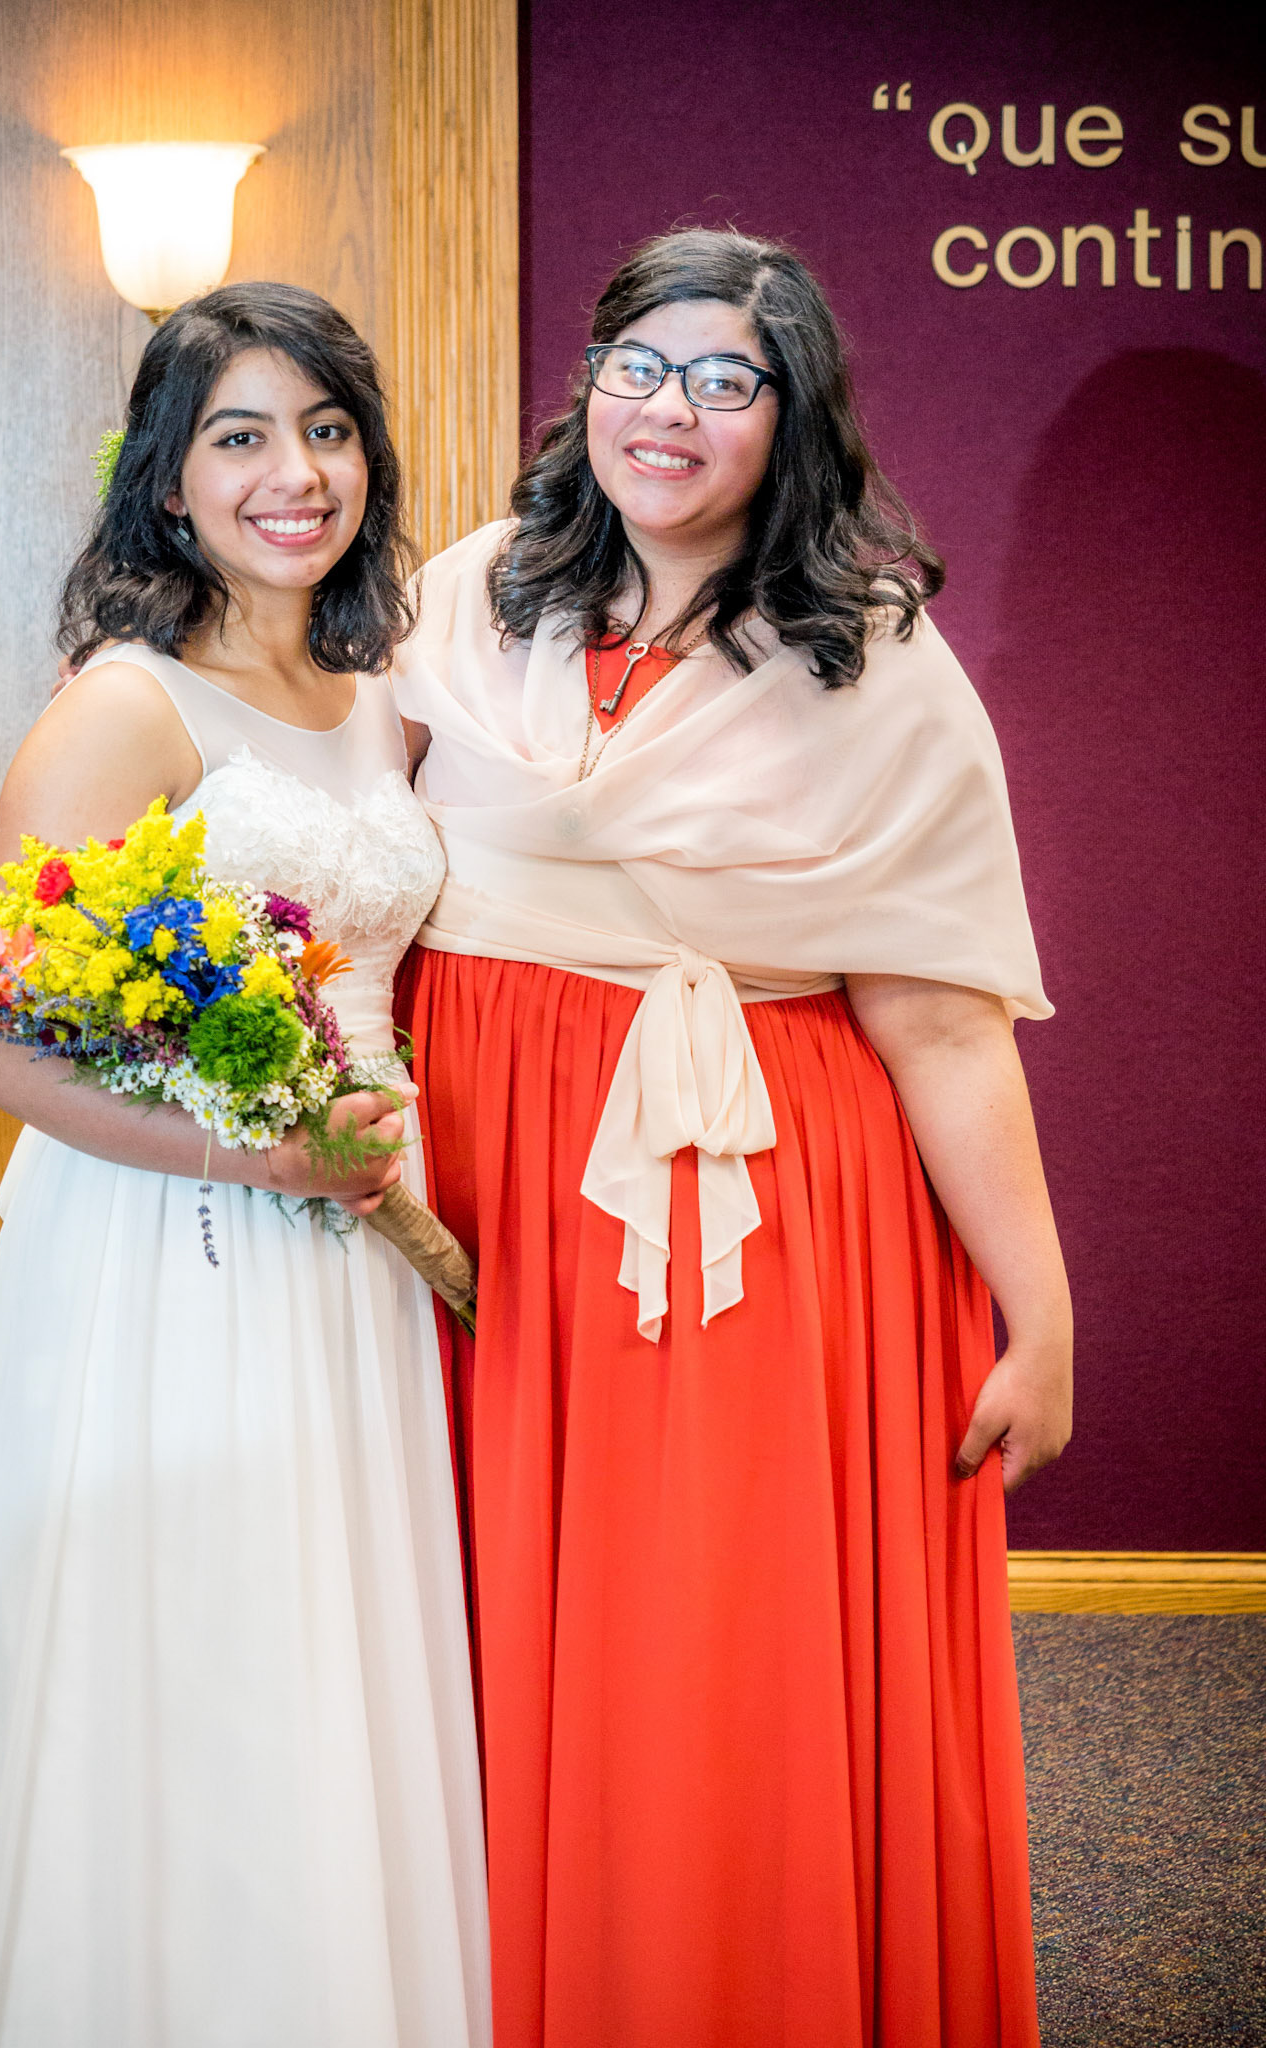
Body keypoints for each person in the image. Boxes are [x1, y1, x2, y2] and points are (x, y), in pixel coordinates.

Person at [393, 229, 1070, 2048]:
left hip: (753, 1200)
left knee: (708, 1625)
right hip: (480, 1186)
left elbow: (941, 1016)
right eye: (639, 366)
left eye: (724, 380)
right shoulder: (464, 596)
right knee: (481, 1602)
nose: (668, 412)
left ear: (796, 415)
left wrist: (1041, 1312)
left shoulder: (878, 663)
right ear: (586, 388)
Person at [0, 283, 490, 2048]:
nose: (298, 474)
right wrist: (268, 1158)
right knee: (195, 1644)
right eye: (243, 436)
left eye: (330, 430)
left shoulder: (379, 697)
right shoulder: (122, 712)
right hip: (173, 1253)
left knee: (331, 1653)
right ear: (168, 477)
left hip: (358, 1247)